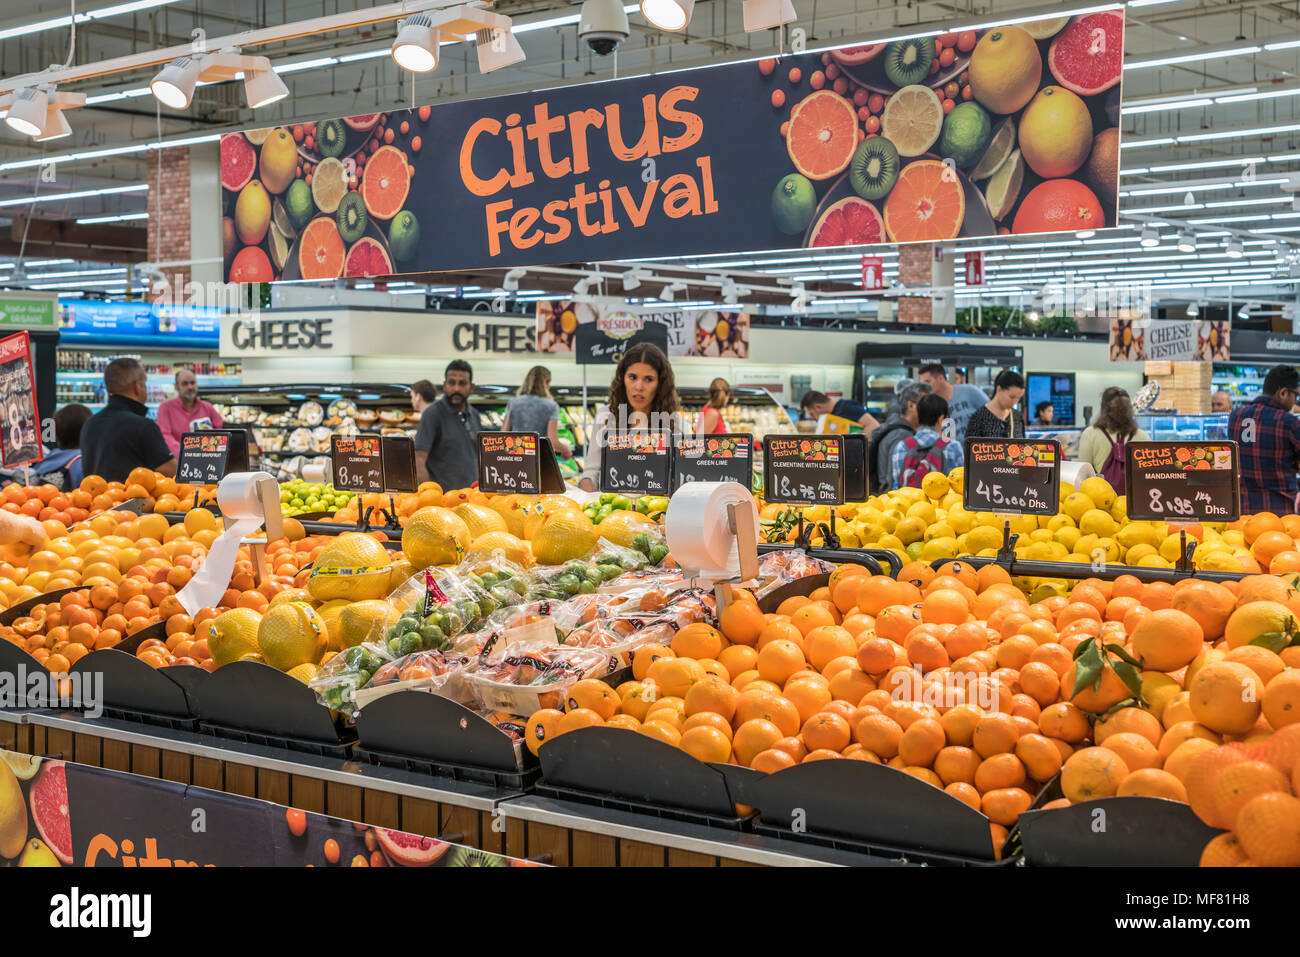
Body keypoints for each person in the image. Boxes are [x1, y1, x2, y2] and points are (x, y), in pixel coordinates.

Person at [579, 343, 685, 492]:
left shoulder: (674, 422)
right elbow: (592, 472)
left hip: (656, 510)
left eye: (648, 379)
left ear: (661, 384)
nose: (639, 386)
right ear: (623, 379)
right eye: (632, 377)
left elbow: (679, 477)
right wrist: (586, 484)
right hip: (614, 510)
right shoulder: (606, 416)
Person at [79, 358, 175, 482]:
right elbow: (171, 472)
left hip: (96, 500)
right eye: (144, 383)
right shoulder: (143, 426)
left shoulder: (89, 424)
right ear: (137, 387)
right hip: (134, 499)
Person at [1229, 365, 1300, 515]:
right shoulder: (1289, 422)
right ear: (1283, 393)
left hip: (1242, 511)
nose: (1295, 401)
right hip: (1280, 511)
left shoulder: (1235, 416)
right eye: (1295, 395)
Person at [414, 360, 482, 491]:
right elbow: (419, 459)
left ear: (471, 387)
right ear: (444, 385)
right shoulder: (433, 414)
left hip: (473, 497)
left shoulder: (475, 415)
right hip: (445, 501)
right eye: (452, 383)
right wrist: (429, 495)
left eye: (462, 383)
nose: (456, 388)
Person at [1079, 387, 1151, 492]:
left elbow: (1083, 474)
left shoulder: (1090, 434)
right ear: (1129, 408)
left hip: (1101, 499)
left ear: (1101, 406)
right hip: (1135, 499)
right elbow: (1149, 474)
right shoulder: (1143, 436)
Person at [868, 381, 929, 493]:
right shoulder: (902, 436)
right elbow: (895, 483)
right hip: (894, 503)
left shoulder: (893, 426)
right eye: (926, 404)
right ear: (911, 405)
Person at [892, 394, 963, 487]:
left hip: (910, 500)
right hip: (943, 501)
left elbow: (898, 484)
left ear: (918, 415)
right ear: (941, 419)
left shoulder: (901, 446)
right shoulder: (953, 447)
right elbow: (961, 483)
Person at [502, 365, 571, 458]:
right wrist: (566, 450)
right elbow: (553, 442)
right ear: (546, 382)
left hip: (516, 457)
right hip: (539, 458)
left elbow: (503, 435)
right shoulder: (551, 406)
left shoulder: (513, 403)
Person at [156, 366, 224, 456]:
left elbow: (221, 431)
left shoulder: (208, 407)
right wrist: (186, 453)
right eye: (185, 384)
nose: (190, 387)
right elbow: (165, 436)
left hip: (208, 459)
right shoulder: (165, 408)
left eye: (192, 383)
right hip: (178, 462)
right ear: (176, 387)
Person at [918, 363, 990, 445]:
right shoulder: (932, 405)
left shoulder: (969, 391)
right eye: (923, 383)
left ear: (940, 378)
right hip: (954, 453)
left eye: (928, 382)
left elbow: (992, 413)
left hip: (979, 451)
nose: (925, 386)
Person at [965, 370, 1027, 440]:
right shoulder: (979, 418)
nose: (1015, 401)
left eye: (1018, 398)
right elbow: (970, 448)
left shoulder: (1017, 417)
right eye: (1011, 397)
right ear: (999, 389)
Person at [798, 390, 880, 437]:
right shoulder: (832, 416)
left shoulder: (846, 407)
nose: (815, 418)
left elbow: (874, 425)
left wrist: (855, 445)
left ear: (818, 407)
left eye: (812, 414)